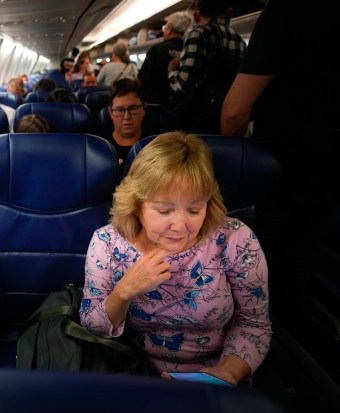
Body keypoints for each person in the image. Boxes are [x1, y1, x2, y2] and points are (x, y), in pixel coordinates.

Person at [80, 131, 272, 385]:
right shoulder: (108, 243)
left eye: (195, 209)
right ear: (136, 205)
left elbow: (254, 324)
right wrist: (123, 292)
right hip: (135, 370)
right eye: (164, 210)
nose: (180, 226)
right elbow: (93, 326)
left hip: (217, 371)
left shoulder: (236, 240)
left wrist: (228, 372)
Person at [220, 0, 339, 337]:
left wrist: (236, 159)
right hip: (330, 162)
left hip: (279, 162)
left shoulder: (288, 10)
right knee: (299, 256)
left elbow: (235, 110)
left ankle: (256, 341)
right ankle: (294, 340)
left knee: (260, 260)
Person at [167, 0, 246, 134]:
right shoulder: (240, 41)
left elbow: (182, 84)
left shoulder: (198, 34)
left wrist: (172, 71)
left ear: (197, 16)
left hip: (199, 115)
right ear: (229, 12)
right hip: (225, 112)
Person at [137, 11, 192, 105]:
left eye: (165, 26)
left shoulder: (156, 49)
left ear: (170, 28)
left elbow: (143, 78)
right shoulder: (189, 49)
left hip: (156, 103)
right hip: (180, 103)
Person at [101, 78, 147, 170]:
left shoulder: (156, 146)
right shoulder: (99, 149)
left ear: (144, 108)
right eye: (119, 110)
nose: (127, 117)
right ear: (110, 113)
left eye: (133, 108)